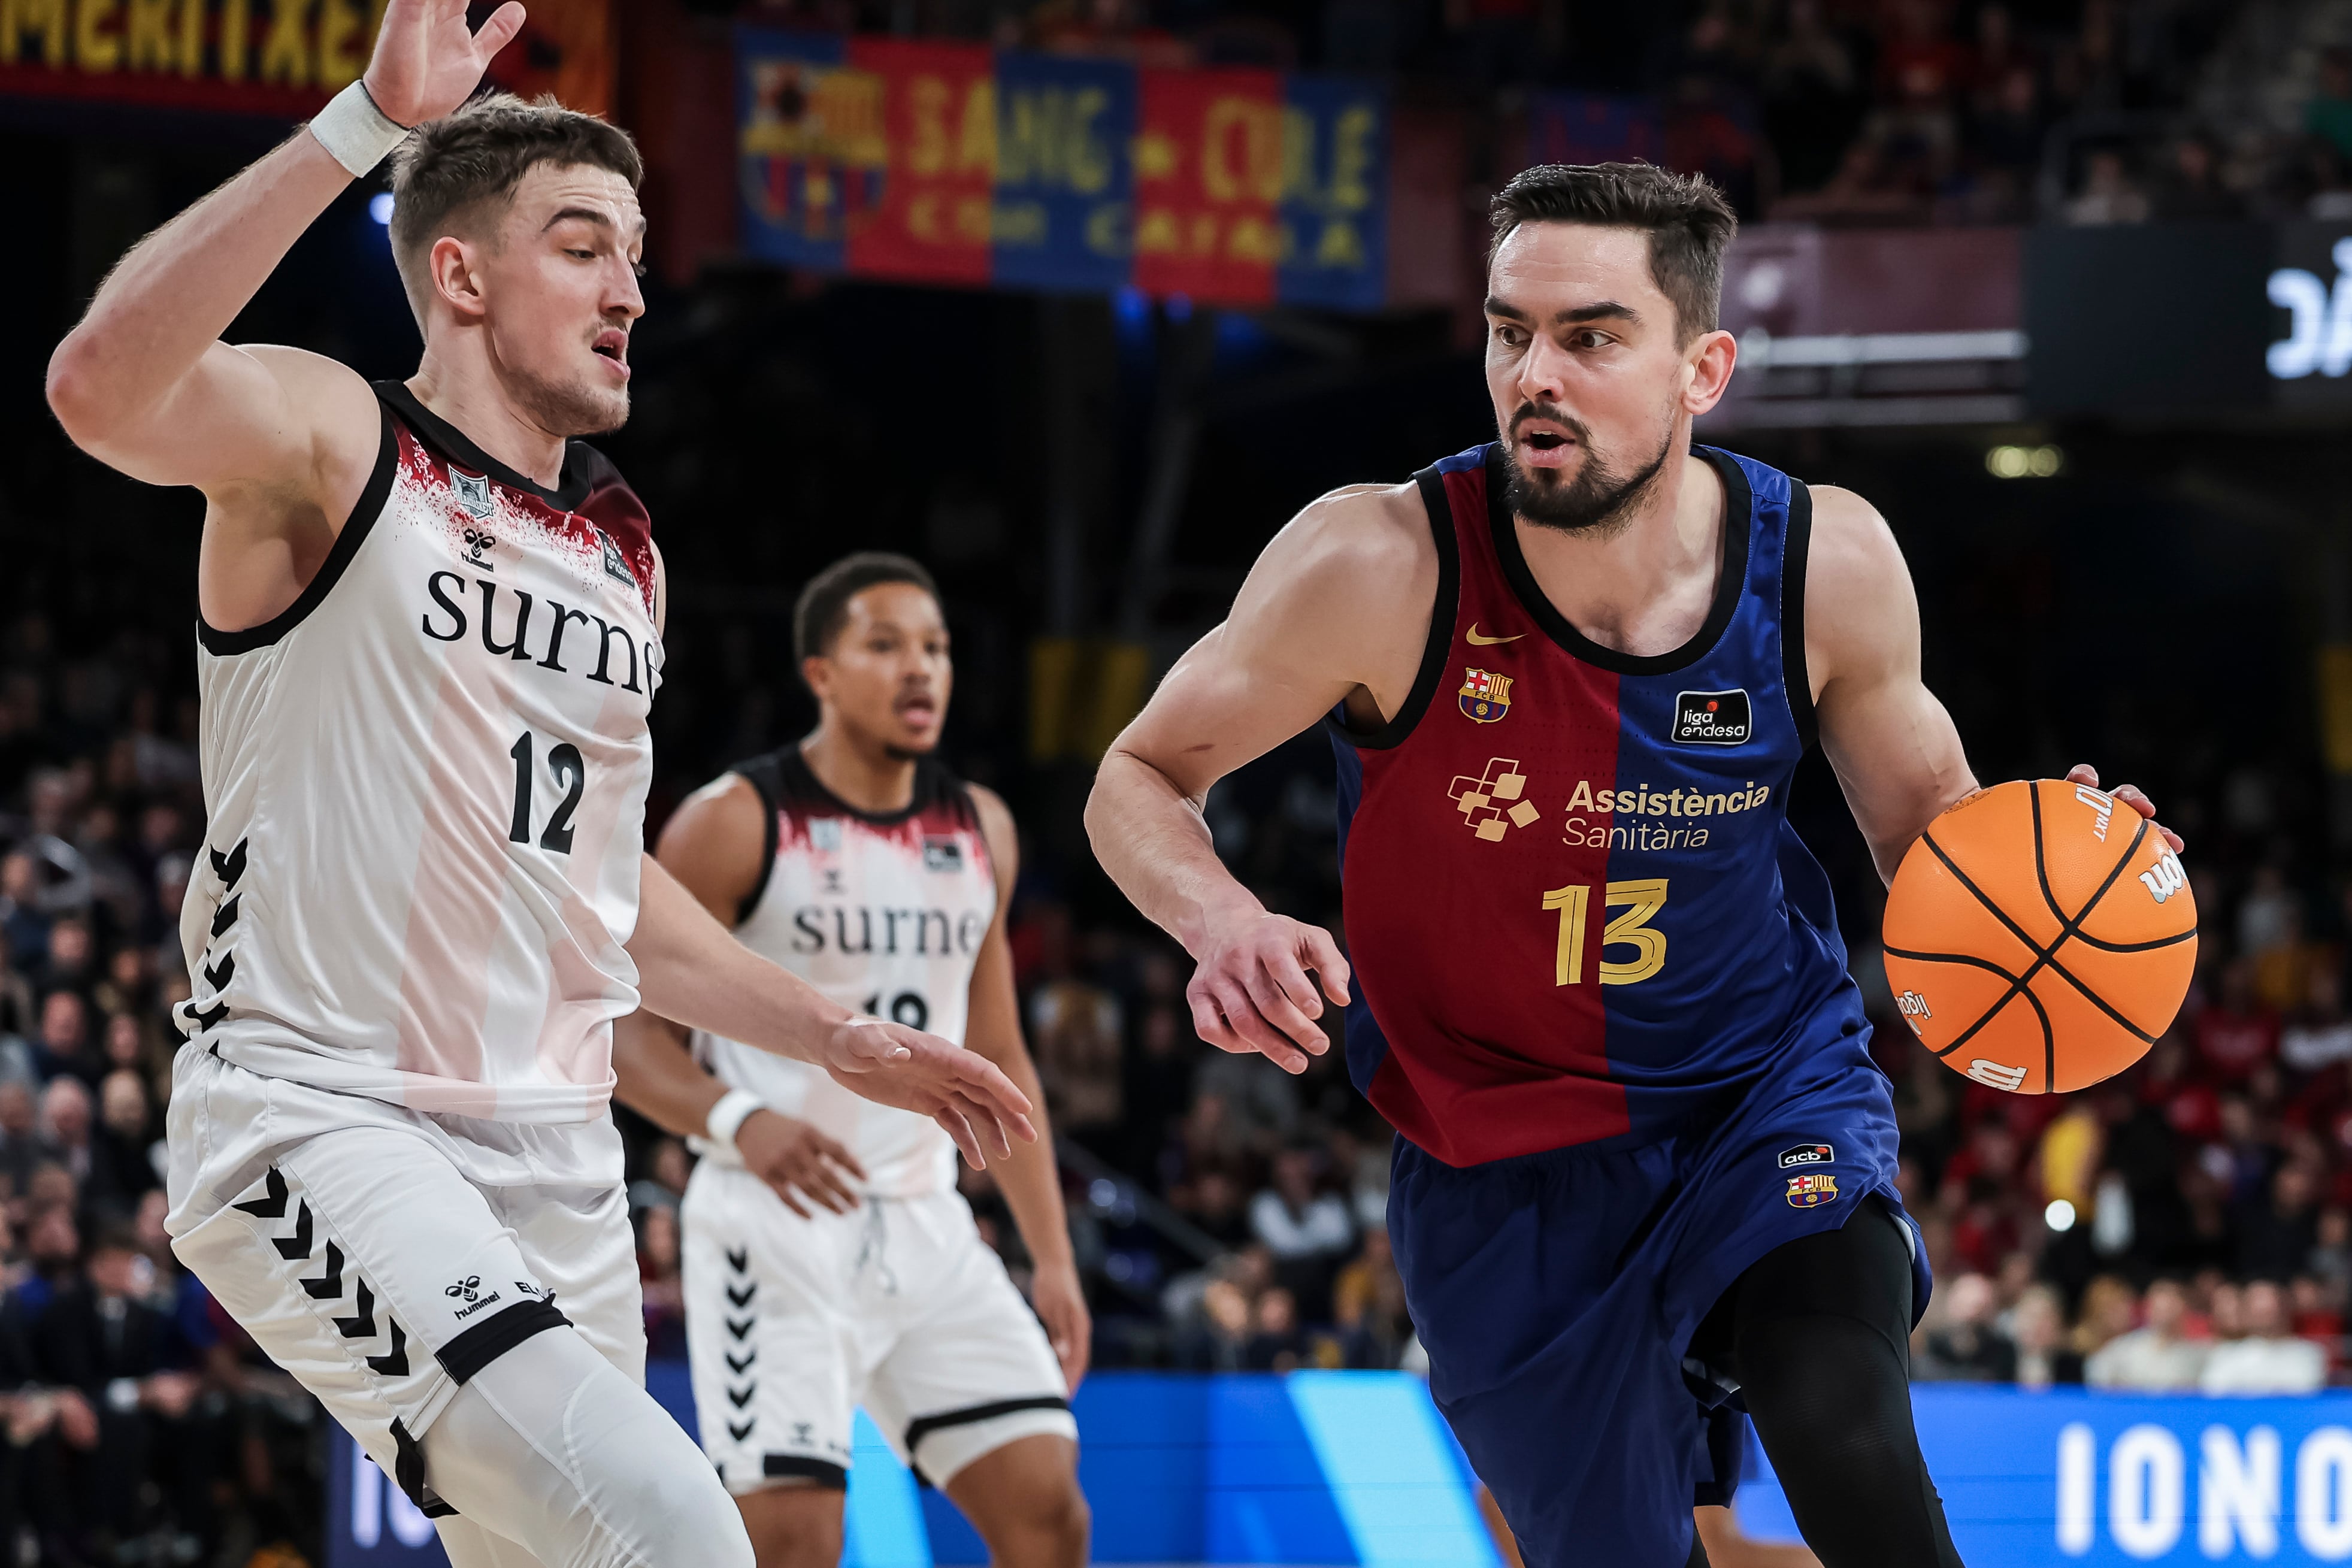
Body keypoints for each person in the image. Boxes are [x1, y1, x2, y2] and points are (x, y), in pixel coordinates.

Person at [41, 8, 1034, 1565]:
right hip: (324, 1120)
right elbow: (100, 387)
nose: (631, 291)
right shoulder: (334, 438)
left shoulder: (621, 554)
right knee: (674, 1533)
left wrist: (834, 1033)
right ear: (457, 273)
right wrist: (360, 124)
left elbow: (603, 886)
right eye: (582, 247)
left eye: (634, 256)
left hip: (558, 1157)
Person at [1085, 161, 2179, 1568]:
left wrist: (2053, 876)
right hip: (1499, 1160)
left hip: (1754, 1085)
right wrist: (1220, 919)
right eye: (1508, 331)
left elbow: (1931, 840)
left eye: (1591, 336)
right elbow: (1136, 776)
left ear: (1700, 369)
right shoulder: (1376, 563)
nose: (1535, 373)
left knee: (1839, 1417)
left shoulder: (1824, 563)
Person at [613, 554, 1089, 1568]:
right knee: (792, 1550)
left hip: (927, 1222)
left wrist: (1049, 1252)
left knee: (1050, 1516)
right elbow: (623, 1027)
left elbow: (996, 1052)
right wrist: (737, 1120)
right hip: (773, 1223)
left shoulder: (981, 828)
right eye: (886, 646)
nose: (920, 670)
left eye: (937, 647)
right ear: (820, 672)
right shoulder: (736, 819)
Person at [2201, 1279, 2327, 1394]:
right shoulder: (2224, 1355)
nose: (2264, 1309)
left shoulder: (2309, 1354)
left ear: (2285, 1307)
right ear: (2245, 1310)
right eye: (2257, 1303)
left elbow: (2305, 1391)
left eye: (2271, 1303)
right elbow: (2214, 1396)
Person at [2085, 1278, 2206, 1391]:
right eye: (2160, 1309)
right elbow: (2097, 1376)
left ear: (2184, 1308)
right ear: (2149, 1308)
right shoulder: (2123, 1349)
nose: (2165, 1315)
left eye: (2171, 1307)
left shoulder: (2197, 1354)